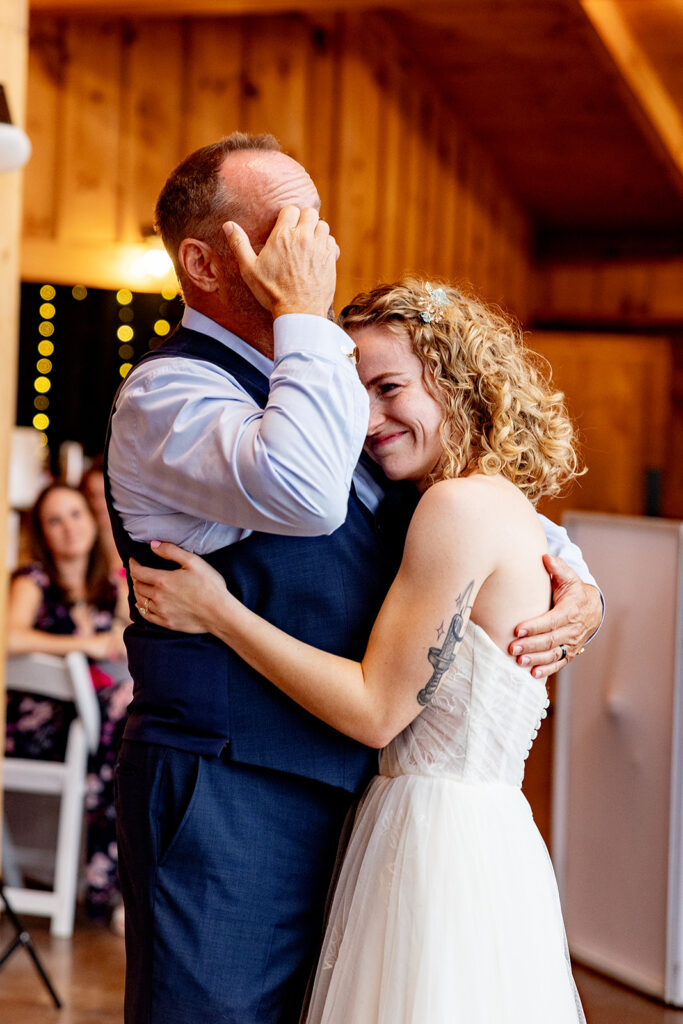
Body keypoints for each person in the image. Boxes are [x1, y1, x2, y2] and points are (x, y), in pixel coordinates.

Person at [105, 132, 602, 1022]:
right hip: (227, 788)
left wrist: (572, 575)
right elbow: (303, 491)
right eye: (285, 226)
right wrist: (305, 319)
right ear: (203, 260)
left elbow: (445, 511)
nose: (314, 248)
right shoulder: (170, 394)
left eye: (316, 223)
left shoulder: (326, 383)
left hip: (355, 801)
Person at [5, 482, 132, 929]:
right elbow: (10, 637)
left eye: (76, 514)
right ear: (42, 532)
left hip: (88, 724)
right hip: (36, 727)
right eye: (54, 520)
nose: (69, 528)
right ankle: (110, 888)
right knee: (123, 722)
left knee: (130, 711)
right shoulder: (33, 580)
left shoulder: (108, 588)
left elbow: (122, 648)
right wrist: (88, 643)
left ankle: (113, 883)